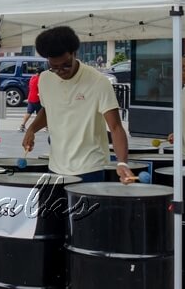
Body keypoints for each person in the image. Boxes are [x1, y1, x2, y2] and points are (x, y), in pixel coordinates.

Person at [22, 26, 132, 184]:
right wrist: (31, 129)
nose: (61, 71)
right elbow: (48, 110)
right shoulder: (45, 79)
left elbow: (115, 127)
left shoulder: (98, 81)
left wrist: (122, 162)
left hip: (89, 168)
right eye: (54, 67)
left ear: (74, 54)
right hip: (56, 166)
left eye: (66, 65)